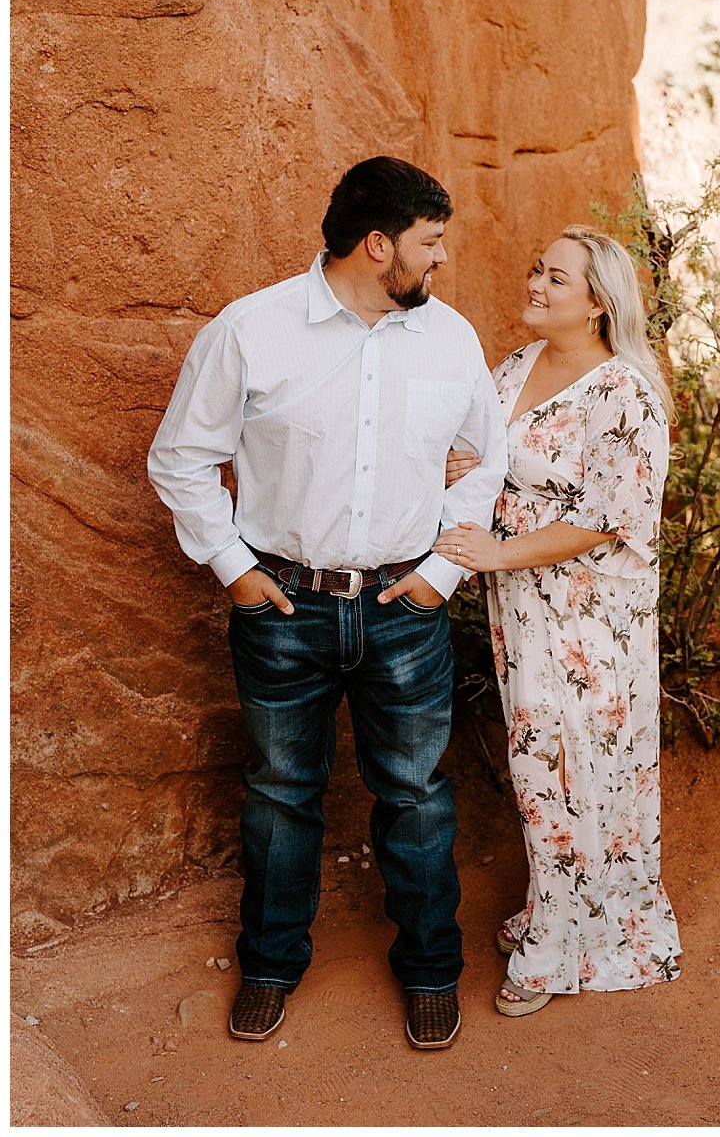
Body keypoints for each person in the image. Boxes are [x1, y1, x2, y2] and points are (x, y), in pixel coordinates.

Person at [147, 156, 509, 1049]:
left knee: (418, 796)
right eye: (429, 244)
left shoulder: (450, 339)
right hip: (282, 608)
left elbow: (485, 462)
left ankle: (430, 973)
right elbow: (180, 457)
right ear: (376, 245)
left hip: (407, 607)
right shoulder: (251, 332)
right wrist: (233, 565)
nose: (442, 260)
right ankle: (269, 968)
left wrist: (442, 574)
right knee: (279, 795)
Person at [435, 225, 682, 1017]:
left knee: (576, 765)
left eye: (557, 279)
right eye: (537, 269)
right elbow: (489, 455)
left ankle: (569, 943)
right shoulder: (517, 365)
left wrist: (493, 552)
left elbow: (609, 519)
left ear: (601, 305)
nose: (536, 285)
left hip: (590, 618)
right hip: (523, 608)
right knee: (538, 760)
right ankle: (561, 906)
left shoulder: (627, 394)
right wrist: (468, 472)